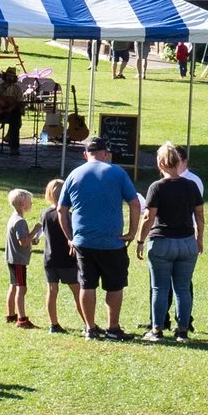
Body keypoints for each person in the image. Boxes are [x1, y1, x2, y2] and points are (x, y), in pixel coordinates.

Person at [60, 136, 142, 340]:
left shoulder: (74, 175)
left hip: (83, 241)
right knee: (114, 285)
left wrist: (70, 237)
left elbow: (61, 210)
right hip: (113, 241)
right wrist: (132, 233)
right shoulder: (117, 172)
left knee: (87, 284)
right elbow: (135, 204)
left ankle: (90, 328)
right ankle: (113, 328)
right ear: (106, 153)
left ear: (85, 154)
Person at [136, 143, 206, 343]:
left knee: (160, 288)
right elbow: (200, 216)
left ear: (160, 163)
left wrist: (140, 240)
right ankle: (182, 330)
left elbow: (149, 217)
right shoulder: (191, 186)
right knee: (183, 288)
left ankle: (157, 330)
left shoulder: (156, 187)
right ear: (178, 162)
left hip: (162, 242)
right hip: (186, 242)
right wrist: (199, 239)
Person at [38, 178, 86, 335]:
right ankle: (88, 323)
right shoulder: (69, 216)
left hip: (49, 259)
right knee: (78, 291)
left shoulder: (44, 214)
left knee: (52, 291)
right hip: (67, 259)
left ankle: (53, 324)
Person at [2, 186, 38, 327]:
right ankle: (22, 319)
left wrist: (33, 239)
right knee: (21, 288)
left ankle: (11, 315)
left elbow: (24, 239)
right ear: (23, 205)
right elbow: (23, 242)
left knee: (13, 285)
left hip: (12, 258)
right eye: (30, 202)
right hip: (18, 260)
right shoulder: (20, 221)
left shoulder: (14, 218)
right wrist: (35, 230)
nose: (31, 204)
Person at [0, 68, 26, 156]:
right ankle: (13, 146)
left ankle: (12, 143)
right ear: (5, 76)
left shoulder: (17, 88)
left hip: (13, 113)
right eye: (9, 76)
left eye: (12, 77)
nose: (10, 78)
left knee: (15, 117)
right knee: (16, 120)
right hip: (1, 114)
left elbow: (20, 102)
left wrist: (15, 106)